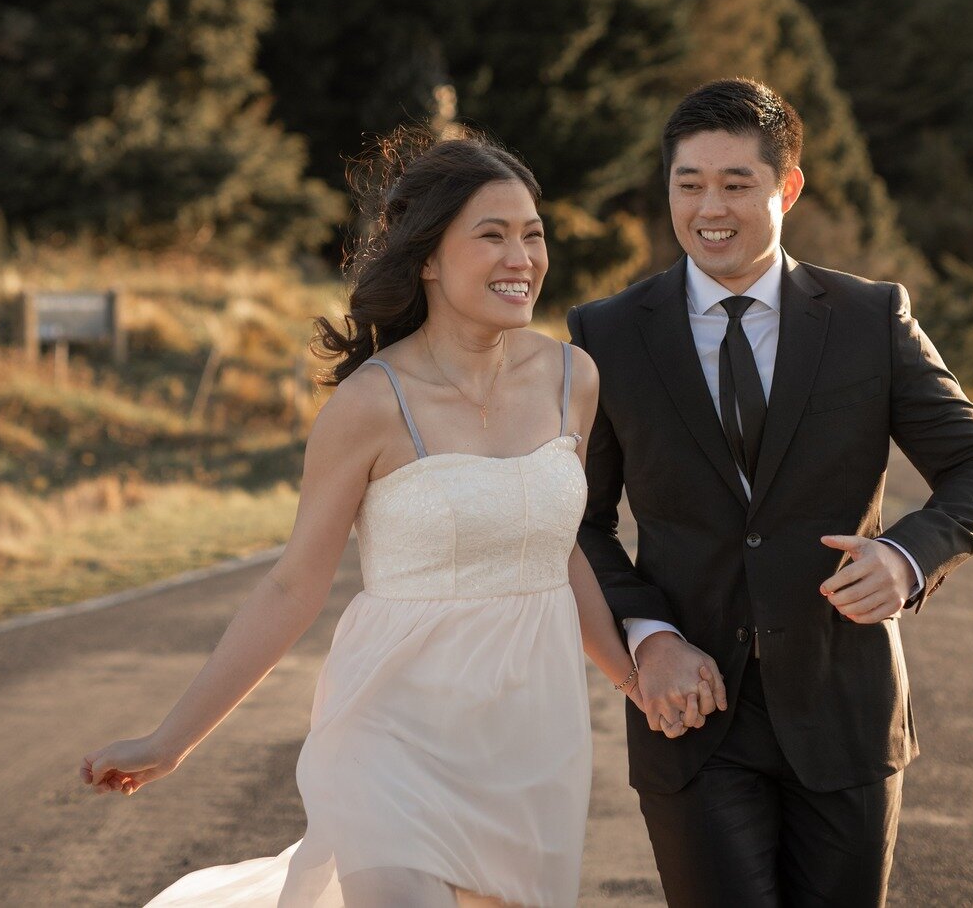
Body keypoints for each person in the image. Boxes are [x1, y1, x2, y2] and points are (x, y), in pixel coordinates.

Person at [81, 128, 642, 908]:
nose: (522, 257)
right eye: (492, 235)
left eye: (533, 234)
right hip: (390, 735)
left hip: (531, 739)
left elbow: (556, 551)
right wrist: (169, 741)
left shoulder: (571, 379)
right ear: (428, 257)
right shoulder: (371, 404)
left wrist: (634, 674)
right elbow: (291, 587)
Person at [569, 78, 973, 908]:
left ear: (788, 187)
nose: (710, 207)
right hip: (692, 716)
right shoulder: (607, 333)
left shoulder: (870, 317)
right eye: (688, 182)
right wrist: (648, 634)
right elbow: (578, 523)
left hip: (845, 711)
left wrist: (906, 557)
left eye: (736, 183)